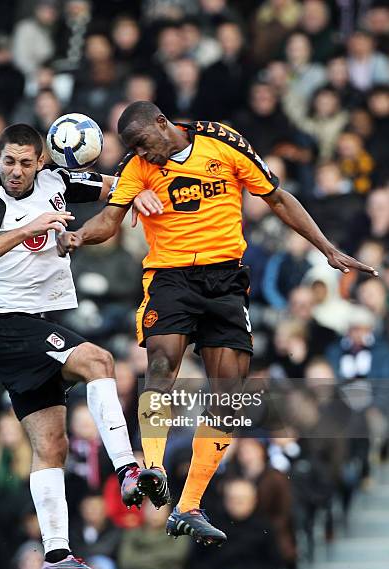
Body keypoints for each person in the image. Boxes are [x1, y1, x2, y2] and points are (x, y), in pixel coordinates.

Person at [59, 101, 378, 545]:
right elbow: (109, 221)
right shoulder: (138, 168)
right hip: (169, 277)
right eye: (132, 149)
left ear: (161, 123)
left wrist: (326, 247)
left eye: (143, 143)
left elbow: (277, 197)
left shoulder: (223, 142)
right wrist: (78, 236)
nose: (141, 153)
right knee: (161, 364)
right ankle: (152, 465)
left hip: (226, 279)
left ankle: (188, 506)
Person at [0, 123, 156, 569]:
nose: (16, 171)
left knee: (52, 447)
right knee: (101, 362)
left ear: (42, 160)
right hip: (4, 325)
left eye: (26, 162)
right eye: (9, 161)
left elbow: (113, 185)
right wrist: (28, 229)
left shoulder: (58, 180)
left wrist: (140, 193)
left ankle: (57, 555)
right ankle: (127, 470)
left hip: (33, 322)